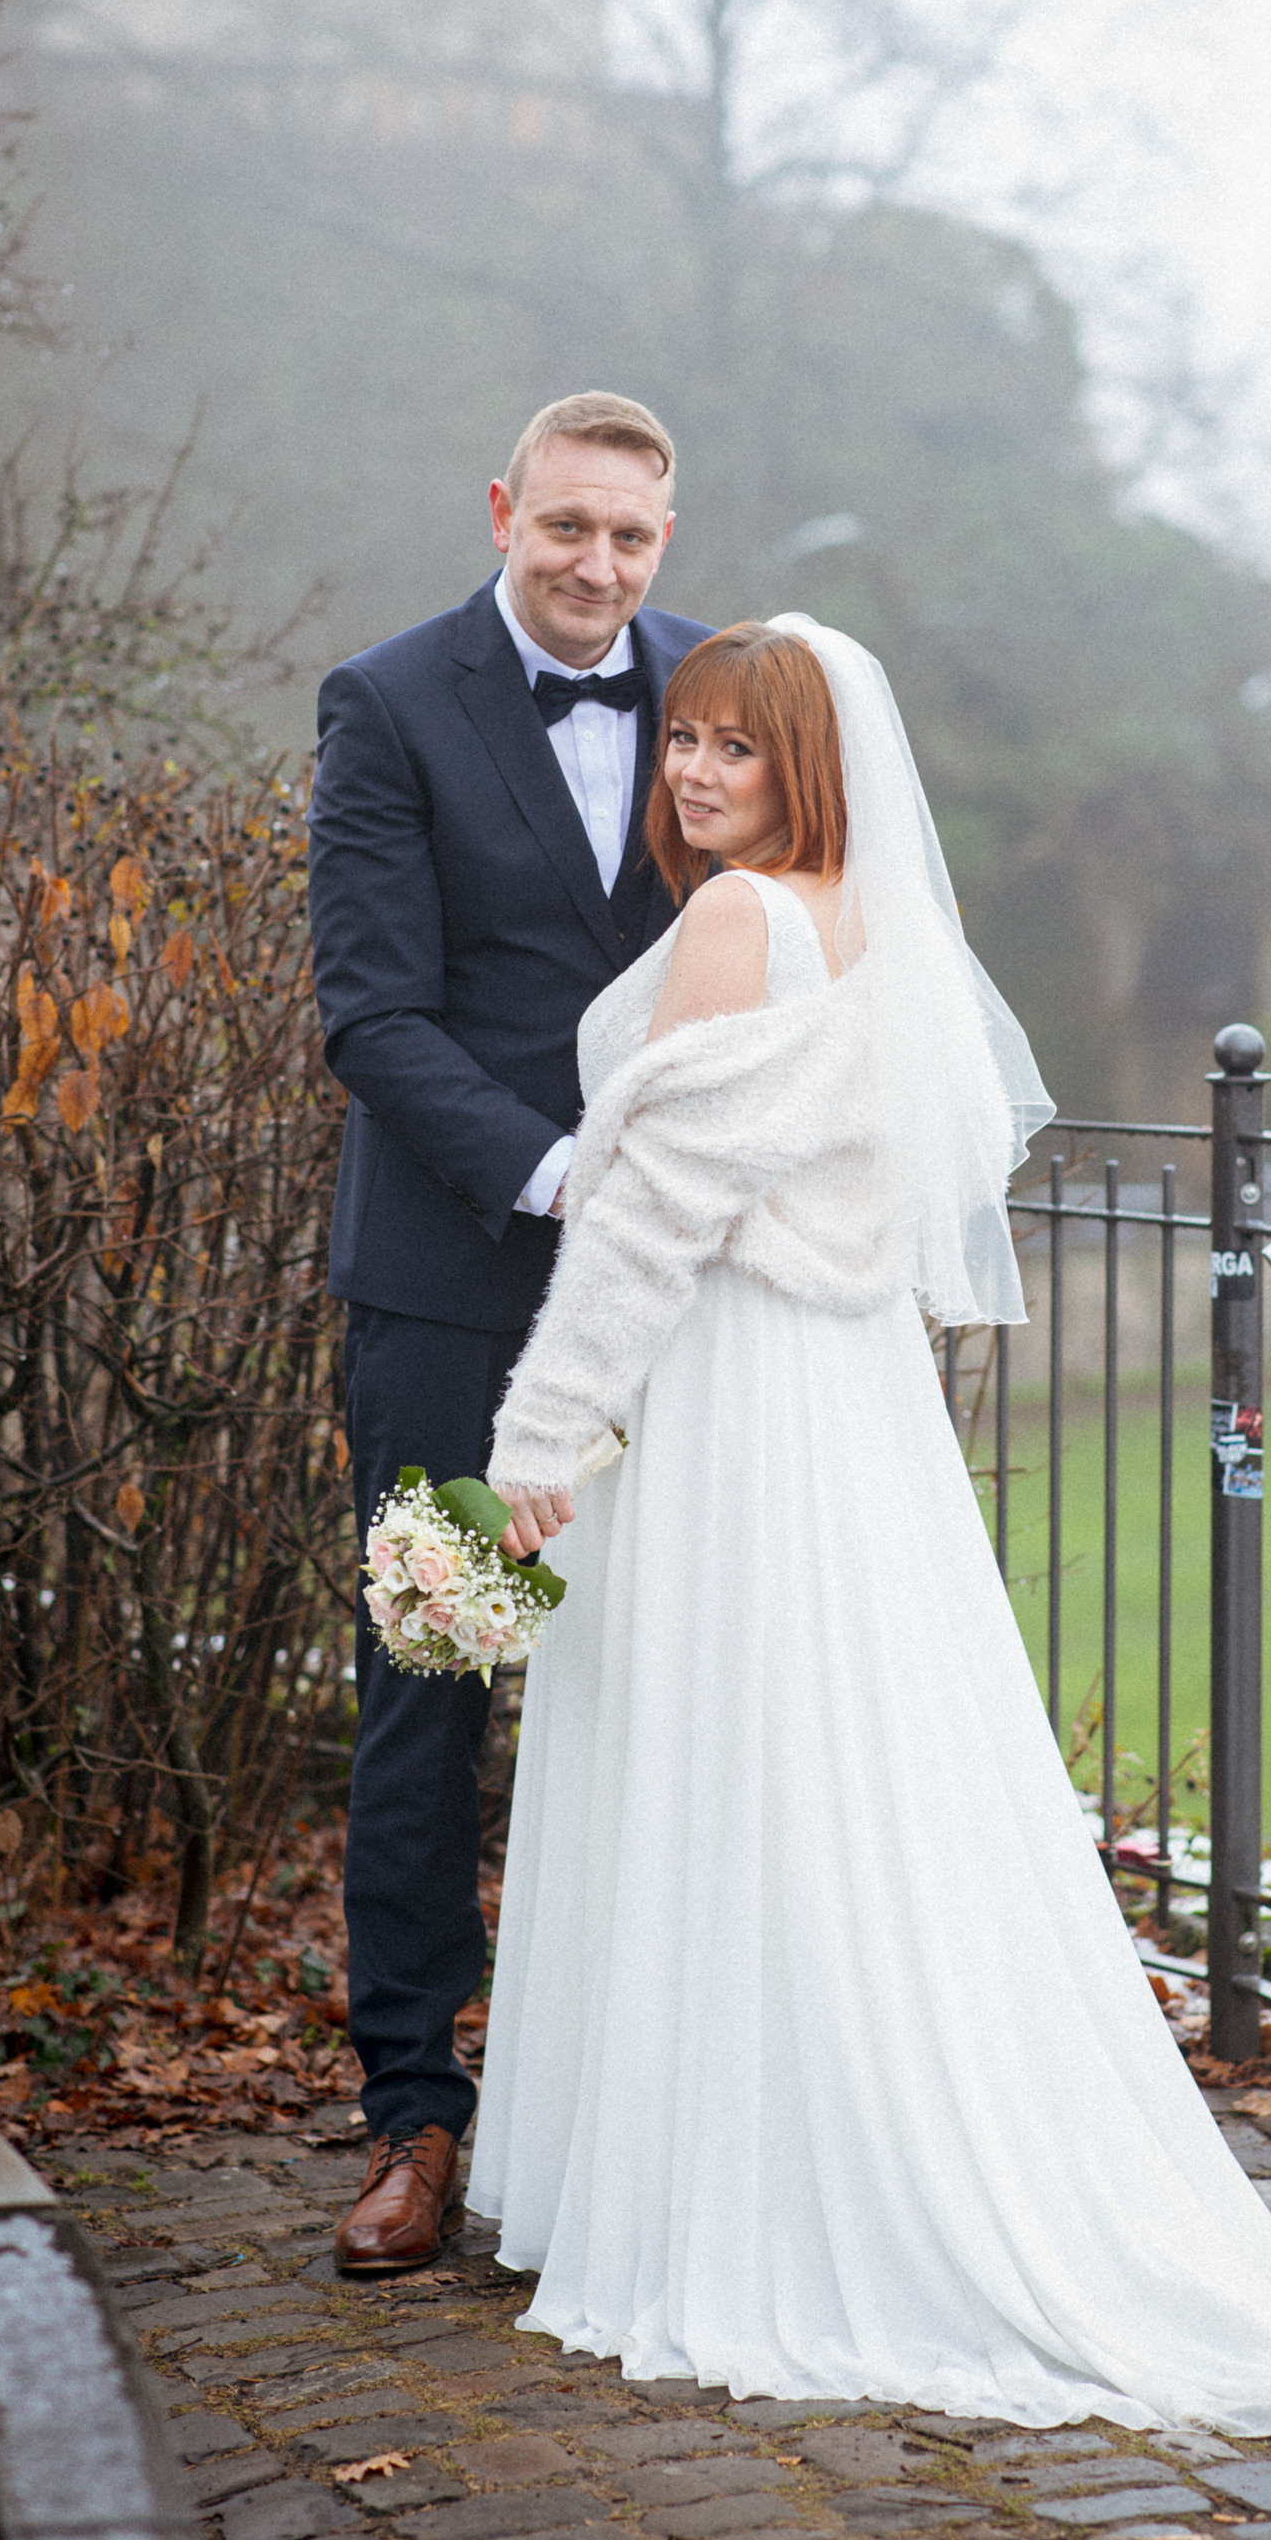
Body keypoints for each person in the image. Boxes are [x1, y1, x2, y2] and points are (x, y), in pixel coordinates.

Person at [469, 617, 1271, 2435]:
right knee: (835, 1764)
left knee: (717, 1757)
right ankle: (814, 2137)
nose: (692, 773)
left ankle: (716, 2189)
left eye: (735, 750)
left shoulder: (744, 919)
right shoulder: (882, 938)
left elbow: (654, 1210)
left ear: (806, 768)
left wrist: (547, 1423)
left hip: (732, 1383)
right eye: (683, 739)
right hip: (843, 1400)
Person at [306, 392, 709, 2274]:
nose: (598, 568)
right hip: (463, 1293)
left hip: (697, 1311)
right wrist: (561, 1183)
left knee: (691, 1688)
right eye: (567, 529)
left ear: (666, 537)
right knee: (432, 1700)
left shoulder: (737, 690)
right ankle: (415, 2125)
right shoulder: (389, 705)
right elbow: (374, 1021)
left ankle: (665, 2109)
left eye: (631, 539)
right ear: (502, 510)